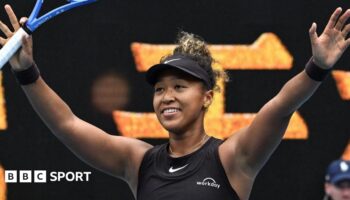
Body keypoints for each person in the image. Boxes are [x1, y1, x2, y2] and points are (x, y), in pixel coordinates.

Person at [0, 4, 349, 200]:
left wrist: (317, 67)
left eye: (180, 86)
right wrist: (27, 72)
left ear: (207, 97)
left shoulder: (231, 158)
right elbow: (67, 125)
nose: (167, 97)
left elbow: (280, 107)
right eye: (160, 89)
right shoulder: (138, 162)